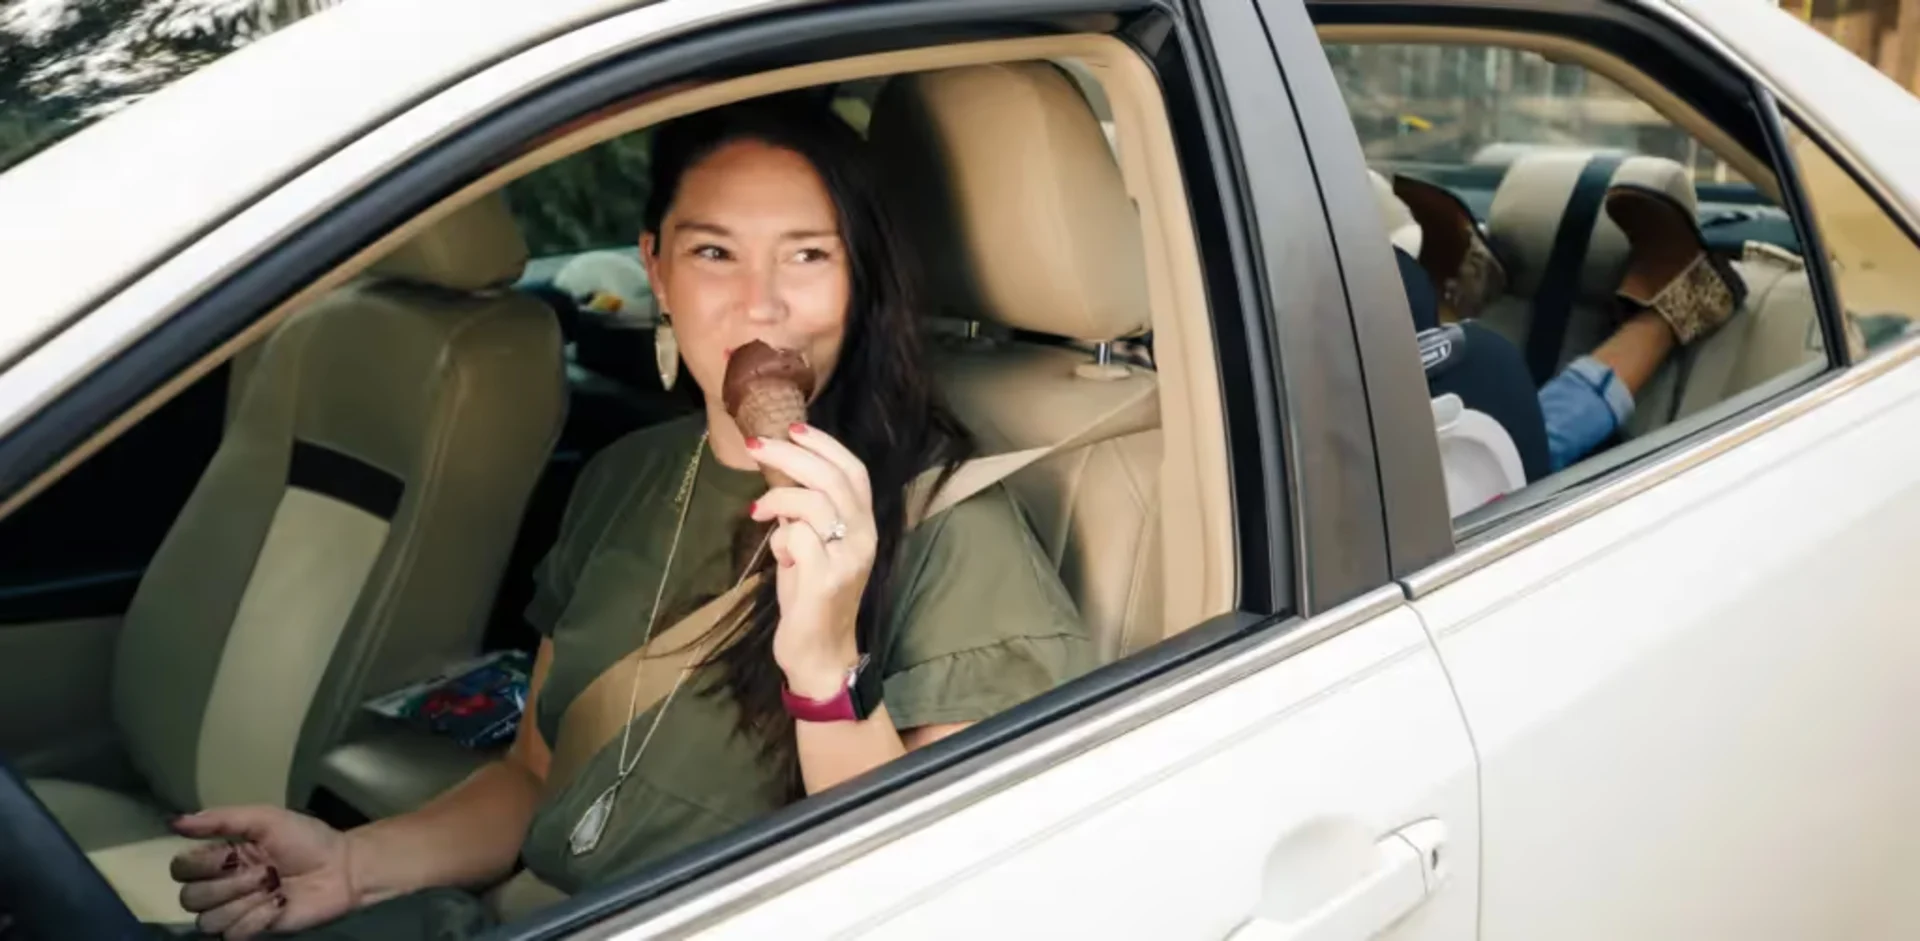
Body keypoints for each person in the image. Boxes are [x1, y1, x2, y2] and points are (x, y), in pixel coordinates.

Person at [159, 96, 1094, 940]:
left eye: (809, 254)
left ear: (861, 280)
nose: (760, 303)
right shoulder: (625, 476)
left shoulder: (950, 527)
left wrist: (822, 666)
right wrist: (353, 865)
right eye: (714, 252)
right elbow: (537, 780)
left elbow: (931, 891)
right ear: (656, 267)